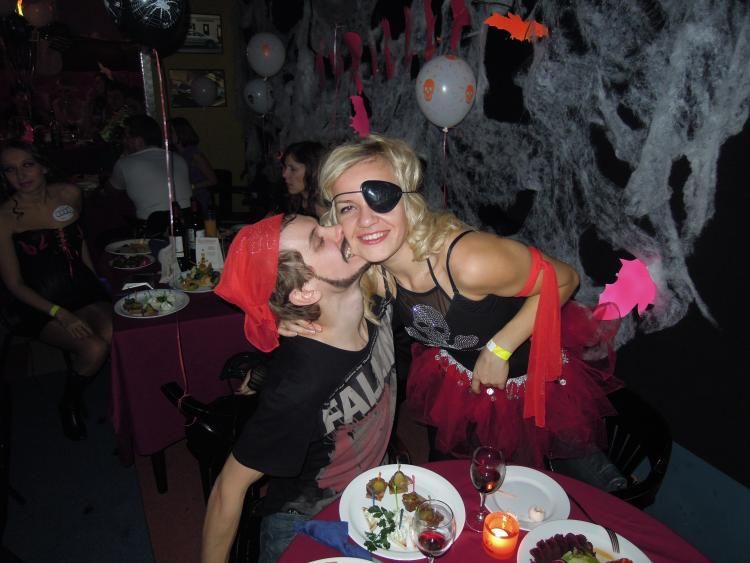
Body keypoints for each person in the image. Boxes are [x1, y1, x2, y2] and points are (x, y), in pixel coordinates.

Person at [312, 134, 623, 471]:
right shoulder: (374, 273)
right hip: (461, 377)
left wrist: (499, 349)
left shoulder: (468, 262)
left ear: (409, 199)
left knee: (574, 483)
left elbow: (565, 279)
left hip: (535, 380)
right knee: (457, 477)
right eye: (348, 207)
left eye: (380, 197)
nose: (366, 219)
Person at [202, 213, 397, 563]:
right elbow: (227, 488)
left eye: (323, 223)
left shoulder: (379, 285)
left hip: (369, 494)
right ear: (305, 292)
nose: (338, 228)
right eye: (319, 240)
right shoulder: (299, 385)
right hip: (307, 521)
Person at [0, 140, 112, 441]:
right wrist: (59, 313)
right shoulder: (4, 218)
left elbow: (80, 241)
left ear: (43, 166)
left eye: (28, 164)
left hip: (83, 289)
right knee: (94, 348)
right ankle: (69, 402)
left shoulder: (70, 194)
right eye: (10, 169)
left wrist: (96, 280)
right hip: (40, 301)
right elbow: (14, 284)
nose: (21, 175)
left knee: (116, 333)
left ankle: (103, 390)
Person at [107, 114, 192, 237]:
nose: (124, 141)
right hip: (186, 226)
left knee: (106, 236)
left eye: (127, 137)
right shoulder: (178, 158)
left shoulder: (126, 163)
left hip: (151, 231)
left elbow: (110, 190)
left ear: (139, 141)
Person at [169, 117, 218, 213]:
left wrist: (192, 186)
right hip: (182, 197)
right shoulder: (173, 154)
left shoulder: (194, 154)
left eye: (171, 132)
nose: (168, 135)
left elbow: (213, 180)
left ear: (180, 133)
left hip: (198, 199)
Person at [275, 141, 327, 218]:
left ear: (313, 171)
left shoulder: (327, 208)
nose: (284, 174)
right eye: (284, 167)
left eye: (293, 169)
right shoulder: (287, 200)